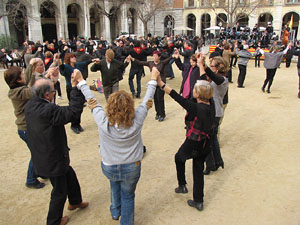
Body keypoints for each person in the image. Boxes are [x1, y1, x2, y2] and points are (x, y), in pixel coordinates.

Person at [76, 67, 159, 225]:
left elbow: (91, 99)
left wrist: (81, 82)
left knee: (114, 184)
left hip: (109, 164)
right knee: (128, 195)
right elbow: (147, 99)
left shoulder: (102, 119)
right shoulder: (138, 118)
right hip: (132, 166)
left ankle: (115, 211)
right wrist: (153, 79)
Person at [25, 77, 88, 225]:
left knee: (70, 175)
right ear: (47, 95)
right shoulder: (49, 110)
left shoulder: (31, 105)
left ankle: (75, 201)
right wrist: (74, 88)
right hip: (52, 158)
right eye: (53, 91)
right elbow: (73, 112)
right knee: (59, 191)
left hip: (46, 153)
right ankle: (53, 221)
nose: (54, 93)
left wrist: (48, 76)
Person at [157, 74, 215, 211]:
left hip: (194, 142)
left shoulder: (195, 108)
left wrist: (160, 83)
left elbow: (176, 96)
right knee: (198, 169)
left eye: (195, 89)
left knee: (179, 158)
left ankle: (182, 185)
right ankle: (198, 200)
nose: (192, 90)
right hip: (206, 143)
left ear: (199, 93)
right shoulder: (211, 104)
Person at [4, 64, 45, 189]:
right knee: (36, 153)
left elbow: (28, 79)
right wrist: (46, 79)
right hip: (26, 128)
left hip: (27, 127)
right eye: (21, 74)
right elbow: (33, 91)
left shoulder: (18, 88)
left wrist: (32, 67)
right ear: (17, 79)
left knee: (40, 150)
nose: (23, 75)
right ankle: (31, 179)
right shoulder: (19, 92)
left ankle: (41, 172)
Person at [198, 55, 229, 175]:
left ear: (218, 68)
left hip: (214, 113)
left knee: (207, 140)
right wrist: (202, 64)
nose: (210, 67)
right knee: (213, 138)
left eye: (212, 65)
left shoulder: (222, 80)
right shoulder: (215, 78)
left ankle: (211, 164)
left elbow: (211, 77)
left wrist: (203, 66)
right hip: (213, 112)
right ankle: (217, 161)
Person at [130, 50, 172, 121]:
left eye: (156, 56)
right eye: (154, 56)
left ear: (159, 57)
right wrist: (132, 59)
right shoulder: (150, 63)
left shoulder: (162, 63)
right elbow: (140, 62)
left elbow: (169, 59)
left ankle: (162, 114)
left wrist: (173, 56)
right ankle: (157, 113)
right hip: (154, 83)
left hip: (161, 83)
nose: (154, 57)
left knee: (160, 99)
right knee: (155, 99)